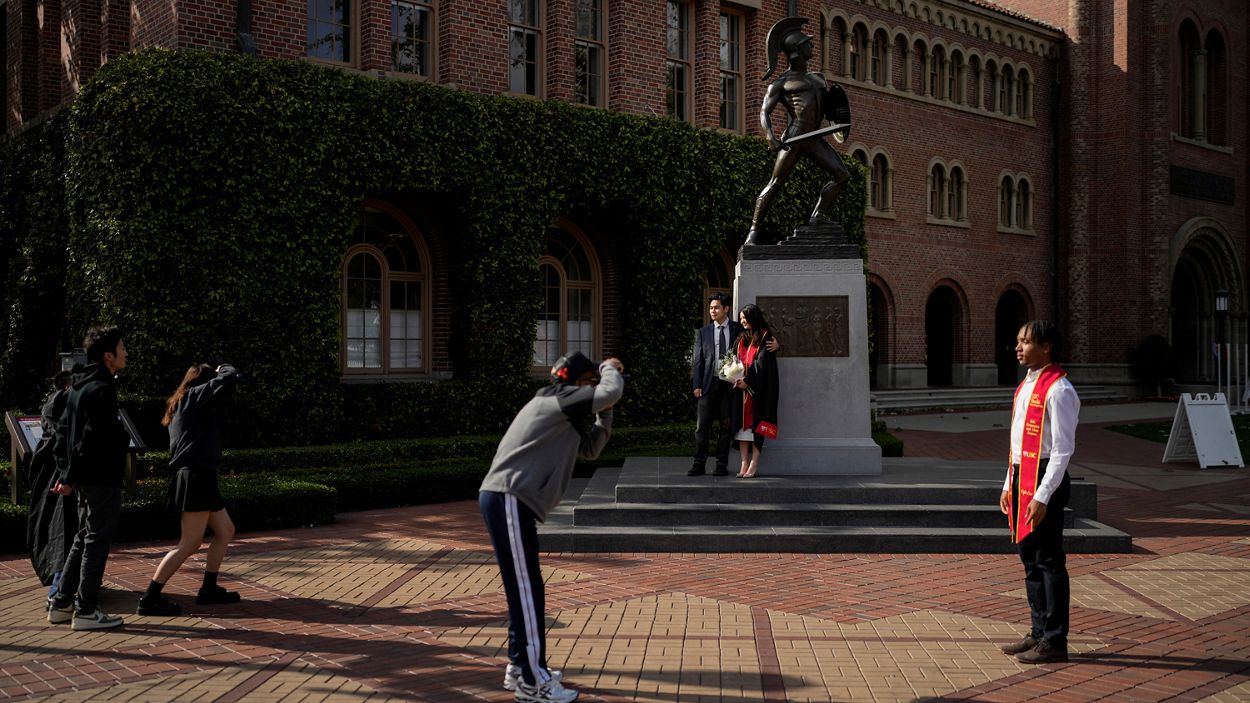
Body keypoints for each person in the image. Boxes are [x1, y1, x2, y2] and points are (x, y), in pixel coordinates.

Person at [480, 351, 624, 703]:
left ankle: (521, 667)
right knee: (527, 593)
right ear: (576, 382)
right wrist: (609, 368)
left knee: (526, 593)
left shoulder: (562, 413)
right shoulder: (557, 399)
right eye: (590, 382)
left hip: (511, 500)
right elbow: (610, 390)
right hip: (509, 497)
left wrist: (605, 413)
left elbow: (590, 449)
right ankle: (534, 682)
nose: (594, 389)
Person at [997, 320, 1080, 664]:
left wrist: (1043, 496)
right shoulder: (1025, 386)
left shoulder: (1059, 390)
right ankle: (1038, 631)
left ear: (1047, 347)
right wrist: (1008, 484)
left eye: (1026, 341)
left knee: (1049, 560)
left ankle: (1055, 640)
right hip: (1022, 476)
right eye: (1018, 340)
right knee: (1029, 559)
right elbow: (1017, 444)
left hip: (1046, 478)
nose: (1018, 347)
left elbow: (1062, 449)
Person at [136, 364, 243, 617]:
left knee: (225, 530)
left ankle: (209, 589)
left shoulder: (183, 402)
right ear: (202, 382)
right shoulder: (194, 397)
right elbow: (228, 379)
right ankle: (150, 598)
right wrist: (223, 369)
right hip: (196, 475)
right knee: (190, 542)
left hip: (199, 474)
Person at [46, 326, 132, 631]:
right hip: (101, 477)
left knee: (84, 536)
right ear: (108, 356)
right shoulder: (102, 389)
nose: (125, 353)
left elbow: (62, 434)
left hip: (85, 478)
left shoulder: (78, 387)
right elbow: (92, 439)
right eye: (122, 348)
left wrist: (67, 473)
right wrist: (70, 475)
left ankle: (61, 602)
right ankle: (85, 609)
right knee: (96, 540)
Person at [746, 17, 851, 245]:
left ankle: (817, 215)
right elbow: (764, 112)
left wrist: (840, 117)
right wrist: (770, 136)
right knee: (775, 183)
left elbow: (831, 109)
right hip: (794, 137)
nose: (811, 46)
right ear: (796, 51)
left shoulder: (819, 79)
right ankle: (753, 231)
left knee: (842, 176)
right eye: (807, 43)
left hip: (814, 139)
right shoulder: (781, 83)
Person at [27, 369, 81, 599]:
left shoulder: (50, 406)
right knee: (65, 528)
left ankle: (61, 583)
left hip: (48, 472)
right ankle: (59, 590)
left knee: (55, 526)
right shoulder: (65, 403)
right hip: (60, 474)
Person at [731, 305, 779, 478]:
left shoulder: (766, 337)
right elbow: (733, 359)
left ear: (753, 317)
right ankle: (744, 462)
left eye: (745, 317)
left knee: (756, 427)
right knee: (741, 429)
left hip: (758, 392)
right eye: (741, 318)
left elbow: (762, 364)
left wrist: (748, 382)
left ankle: (754, 463)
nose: (742, 321)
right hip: (740, 391)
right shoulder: (741, 338)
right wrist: (733, 376)